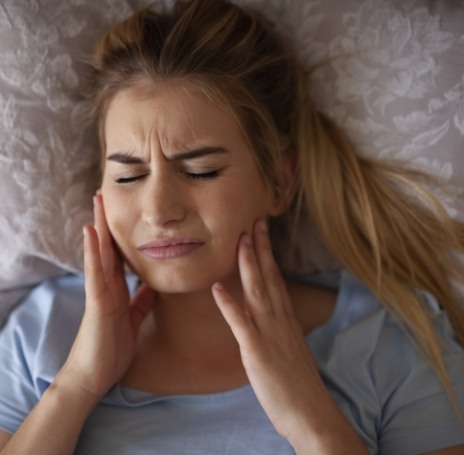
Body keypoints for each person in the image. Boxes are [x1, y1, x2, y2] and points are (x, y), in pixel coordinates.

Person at [0, 0, 463, 453]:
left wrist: (314, 423)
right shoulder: (42, 334)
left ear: (280, 182)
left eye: (201, 170)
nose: (158, 210)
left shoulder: (390, 343)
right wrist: (76, 386)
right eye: (129, 176)